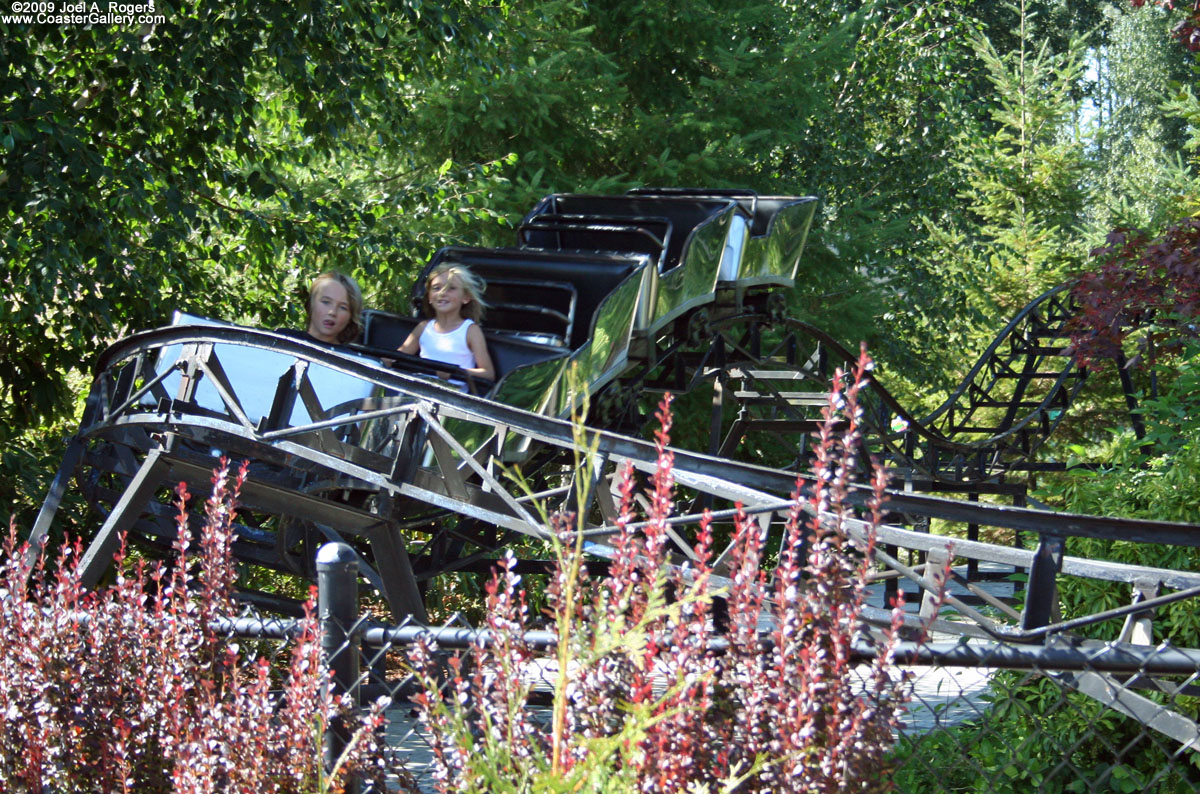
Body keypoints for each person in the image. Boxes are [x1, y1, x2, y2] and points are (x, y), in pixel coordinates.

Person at [399, 264, 495, 388]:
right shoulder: (423, 328)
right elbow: (396, 358)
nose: (442, 293)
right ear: (429, 296)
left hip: (452, 398)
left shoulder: (470, 330)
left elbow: (488, 373)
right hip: (420, 392)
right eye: (436, 288)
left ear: (466, 297)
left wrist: (454, 372)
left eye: (451, 288)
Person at [284, 271, 364, 346]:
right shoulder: (282, 340)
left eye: (343, 307)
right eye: (326, 302)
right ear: (311, 303)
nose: (332, 312)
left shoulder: (351, 359)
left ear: (351, 317)